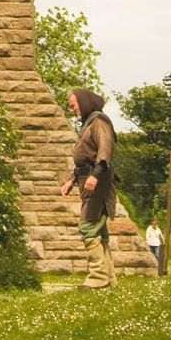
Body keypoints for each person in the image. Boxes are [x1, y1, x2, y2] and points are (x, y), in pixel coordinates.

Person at [60, 88, 118, 290]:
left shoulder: (99, 122)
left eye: (73, 103)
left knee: (88, 226)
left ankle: (97, 278)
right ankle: (109, 278)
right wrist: (72, 180)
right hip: (88, 181)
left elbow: (104, 151)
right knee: (99, 231)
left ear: (84, 102)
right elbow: (84, 158)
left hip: (98, 183)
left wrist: (95, 175)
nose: (71, 107)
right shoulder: (88, 124)